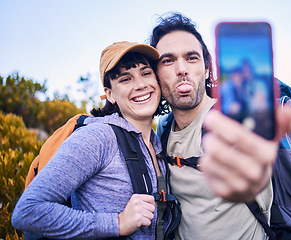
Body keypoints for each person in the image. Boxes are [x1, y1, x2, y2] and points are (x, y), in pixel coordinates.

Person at [150, 12, 291, 239]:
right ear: (156, 75)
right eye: (168, 61)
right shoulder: (163, 129)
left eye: (192, 58)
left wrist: (252, 176)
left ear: (207, 69)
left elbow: (252, 159)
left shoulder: (230, 118)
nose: (182, 69)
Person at [12, 41, 174, 239]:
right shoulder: (98, 137)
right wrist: (117, 223)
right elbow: (27, 211)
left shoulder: (159, 143)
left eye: (146, 73)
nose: (140, 85)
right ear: (110, 94)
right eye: (125, 79)